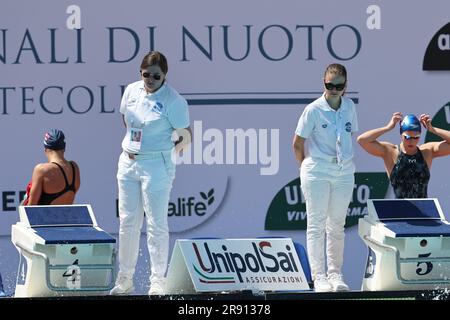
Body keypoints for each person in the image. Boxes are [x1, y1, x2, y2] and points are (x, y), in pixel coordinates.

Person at [110, 51, 191, 296]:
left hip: (157, 165)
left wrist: (165, 153)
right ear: (140, 73)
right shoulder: (132, 90)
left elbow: (185, 135)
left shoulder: (174, 101)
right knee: (127, 222)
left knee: (156, 224)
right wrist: (136, 145)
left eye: (156, 75)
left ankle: (157, 280)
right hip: (128, 162)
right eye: (146, 74)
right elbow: (127, 119)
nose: (150, 79)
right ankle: (125, 278)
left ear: (165, 75)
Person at [292, 63, 358, 292]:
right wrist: (307, 169)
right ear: (324, 83)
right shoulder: (313, 109)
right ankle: (319, 278)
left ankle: (335, 275)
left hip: (344, 172)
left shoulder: (349, 106)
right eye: (329, 85)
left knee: (337, 225)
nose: (333, 89)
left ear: (345, 86)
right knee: (316, 225)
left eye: (338, 85)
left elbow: (349, 136)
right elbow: (297, 143)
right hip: (317, 171)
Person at [357, 113, 450, 198]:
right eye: (408, 137)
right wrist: (388, 127)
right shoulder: (391, 152)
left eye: (416, 137)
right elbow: (362, 140)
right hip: (399, 209)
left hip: (424, 208)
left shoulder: (427, 151)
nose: (412, 141)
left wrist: (433, 129)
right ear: (401, 134)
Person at [23, 129, 80, 205]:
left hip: (45, 217)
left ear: (45, 149)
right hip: (68, 216)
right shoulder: (74, 168)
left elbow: (31, 207)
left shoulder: (41, 170)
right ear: (64, 148)